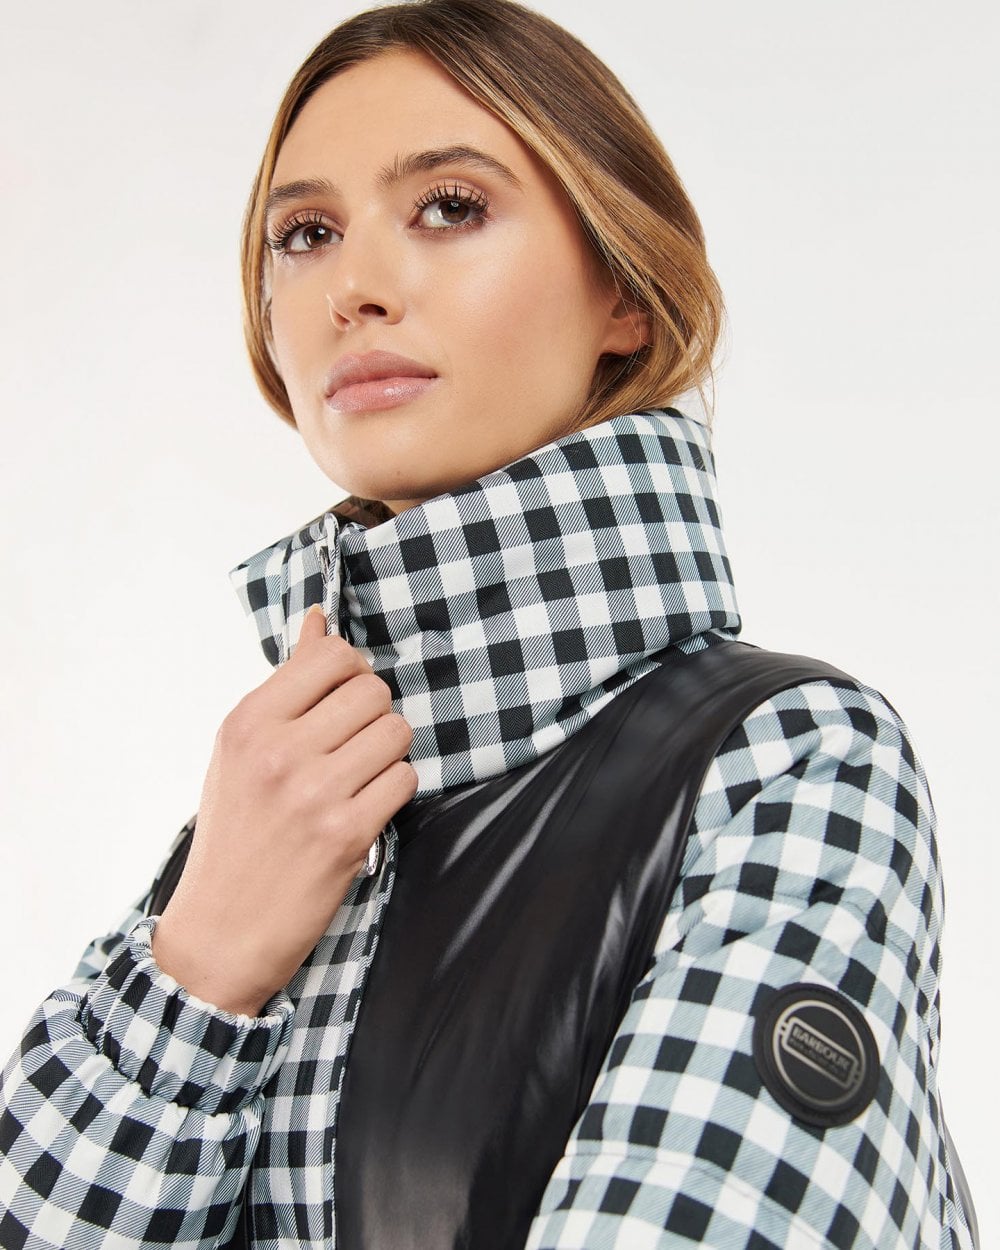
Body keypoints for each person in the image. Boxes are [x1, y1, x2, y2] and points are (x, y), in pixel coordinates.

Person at [0, 1, 979, 1247]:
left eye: (450, 207)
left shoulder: (791, 762)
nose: (355, 287)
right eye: (305, 234)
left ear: (623, 292)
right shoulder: (264, 818)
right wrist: (196, 966)